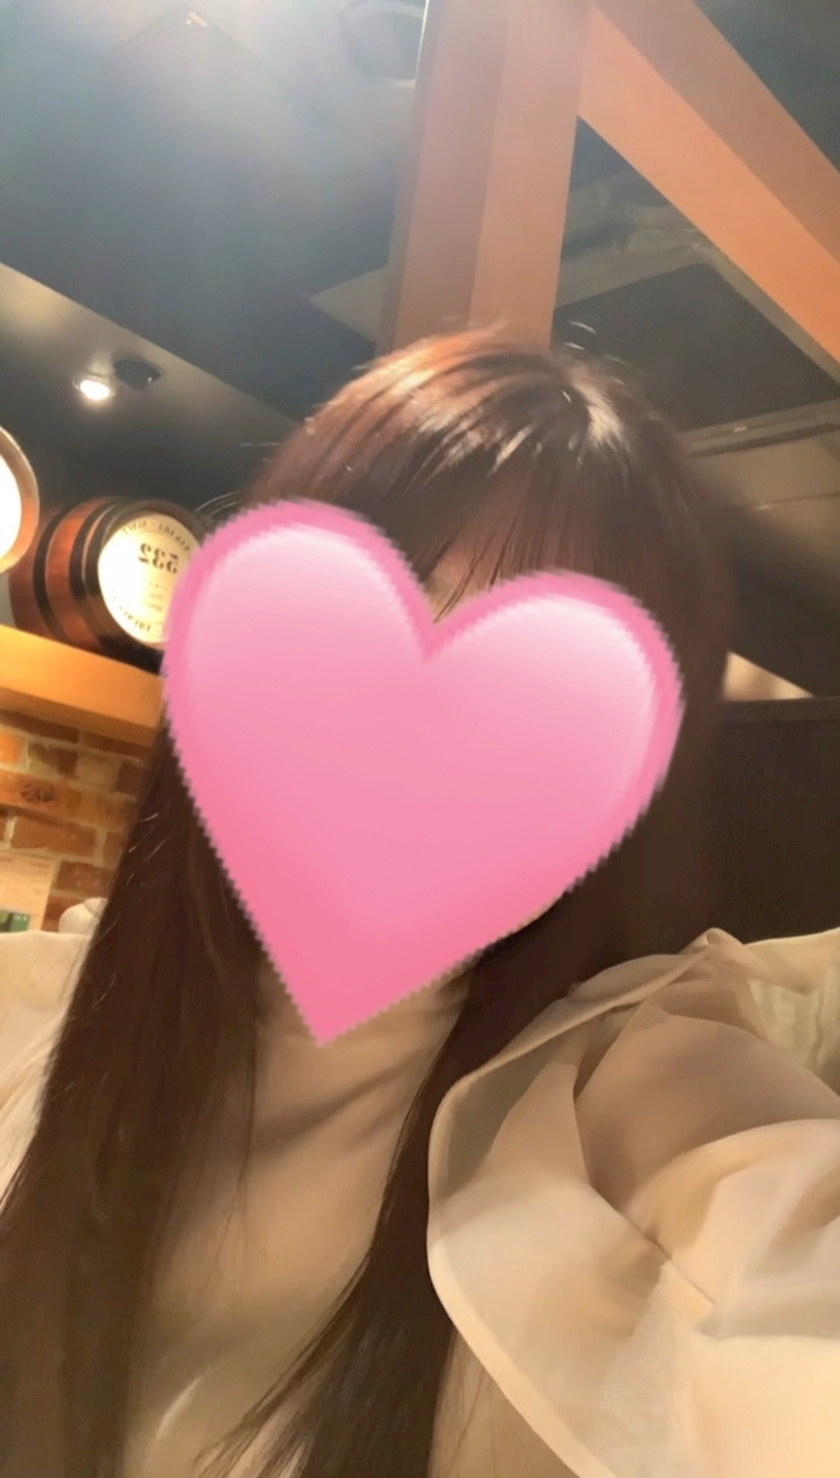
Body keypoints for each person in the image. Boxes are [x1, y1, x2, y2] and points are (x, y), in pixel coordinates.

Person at [0, 329, 839, 1478]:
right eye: (388, 616)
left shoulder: (625, 1088)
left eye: (550, 693)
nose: (422, 735)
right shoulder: (34, 1007)